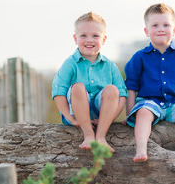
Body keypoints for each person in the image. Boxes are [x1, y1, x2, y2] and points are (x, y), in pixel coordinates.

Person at [124, 0, 175, 162]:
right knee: (142, 112)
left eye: (166, 25)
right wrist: (129, 114)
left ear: (174, 29)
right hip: (150, 103)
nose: (161, 29)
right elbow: (131, 87)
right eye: (155, 25)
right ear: (146, 31)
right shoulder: (139, 57)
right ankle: (141, 148)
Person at [51, 11, 126, 151]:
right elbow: (58, 91)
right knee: (78, 87)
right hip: (75, 112)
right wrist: (70, 118)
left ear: (104, 39)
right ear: (75, 38)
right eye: (83, 35)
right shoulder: (70, 63)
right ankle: (88, 135)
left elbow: (122, 95)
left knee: (113, 90)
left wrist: (111, 118)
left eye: (95, 36)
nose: (89, 40)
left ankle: (101, 136)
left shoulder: (109, 66)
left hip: (102, 114)